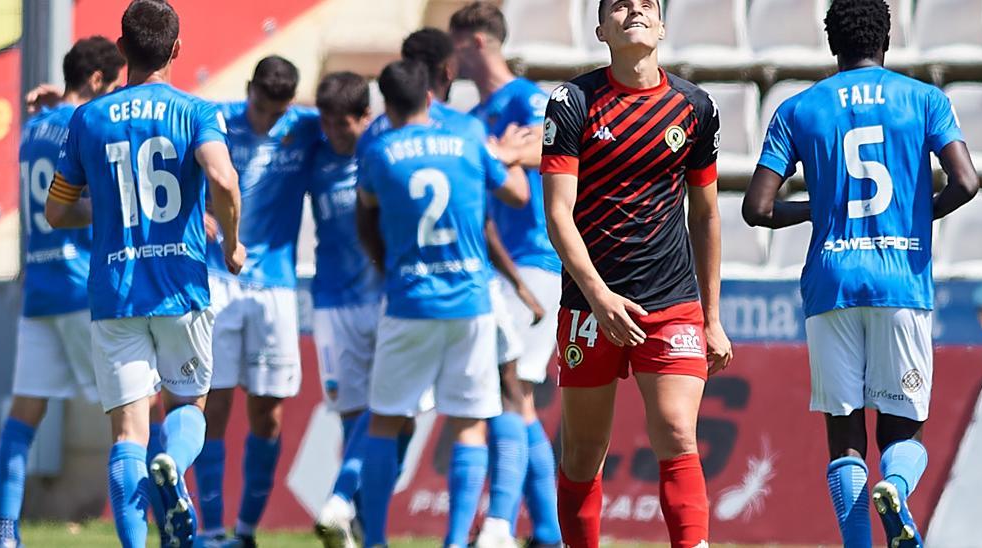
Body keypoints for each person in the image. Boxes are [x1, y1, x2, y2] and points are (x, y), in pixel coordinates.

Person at [742, 0, 978, 546]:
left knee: (845, 437)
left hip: (832, 282)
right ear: (887, 40)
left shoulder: (798, 108)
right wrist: (916, 214)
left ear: (832, 44)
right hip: (900, 280)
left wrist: (820, 212)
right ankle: (894, 486)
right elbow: (965, 182)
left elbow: (757, 207)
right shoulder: (924, 100)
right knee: (903, 431)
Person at [314, 28, 537, 548]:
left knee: (386, 421)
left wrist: (387, 261)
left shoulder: (379, 148)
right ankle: (460, 540)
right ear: (436, 88)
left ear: (386, 105)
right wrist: (498, 157)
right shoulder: (465, 134)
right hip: (469, 301)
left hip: (408, 299)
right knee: (470, 422)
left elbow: (364, 218)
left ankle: (372, 539)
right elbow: (516, 194)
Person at [45, 2, 245, 546]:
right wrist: (230, 241)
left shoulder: (88, 117)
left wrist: (102, 210)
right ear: (176, 50)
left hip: (114, 294)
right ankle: (174, 468)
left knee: (127, 436)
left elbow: (57, 211)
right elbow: (224, 182)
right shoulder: (196, 111)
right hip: (180, 290)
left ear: (123, 49)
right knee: (188, 408)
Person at [541, 1, 734, 546]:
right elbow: (557, 214)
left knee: (676, 432)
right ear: (601, 30)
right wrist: (599, 297)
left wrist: (712, 319)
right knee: (581, 452)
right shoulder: (573, 102)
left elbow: (706, 214)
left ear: (663, 27)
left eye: (646, 5)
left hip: (670, 301)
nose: (634, 12)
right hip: (589, 303)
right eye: (619, 6)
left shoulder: (694, 107)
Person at [0, 35, 124, 548]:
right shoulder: (86, 124)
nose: (116, 98)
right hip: (81, 286)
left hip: (39, 290)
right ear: (95, 82)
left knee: (24, 417)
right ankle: (163, 529)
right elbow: (91, 194)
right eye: (113, 87)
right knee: (135, 414)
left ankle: (7, 534)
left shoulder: (31, 129)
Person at [188, 55, 322, 548]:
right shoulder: (212, 118)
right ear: (249, 90)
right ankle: (212, 528)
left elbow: (361, 123)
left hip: (276, 288)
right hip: (216, 279)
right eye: (261, 107)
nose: (267, 120)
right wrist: (193, 212)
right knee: (213, 403)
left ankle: (245, 532)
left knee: (268, 412)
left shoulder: (307, 126)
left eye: (276, 111)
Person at [449, 3, 564, 546]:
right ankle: (544, 528)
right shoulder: (477, 119)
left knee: (511, 389)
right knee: (513, 394)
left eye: (455, 48)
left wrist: (511, 152)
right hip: (504, 268)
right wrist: (502, 152)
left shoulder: (526, 98)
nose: (451, 61)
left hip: (538, 260)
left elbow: (564, 147)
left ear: (475, 42)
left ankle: (499, 525)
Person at [303, 71, 380, 548]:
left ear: (365, 118)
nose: (332, 133)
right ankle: (356, 521)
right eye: (325, 123)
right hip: (331, 307)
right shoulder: (313, 154)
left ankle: (340, 500)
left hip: (384, 301)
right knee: (357, 419)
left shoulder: (381, 151)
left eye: (342, 125)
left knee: (392, 413)